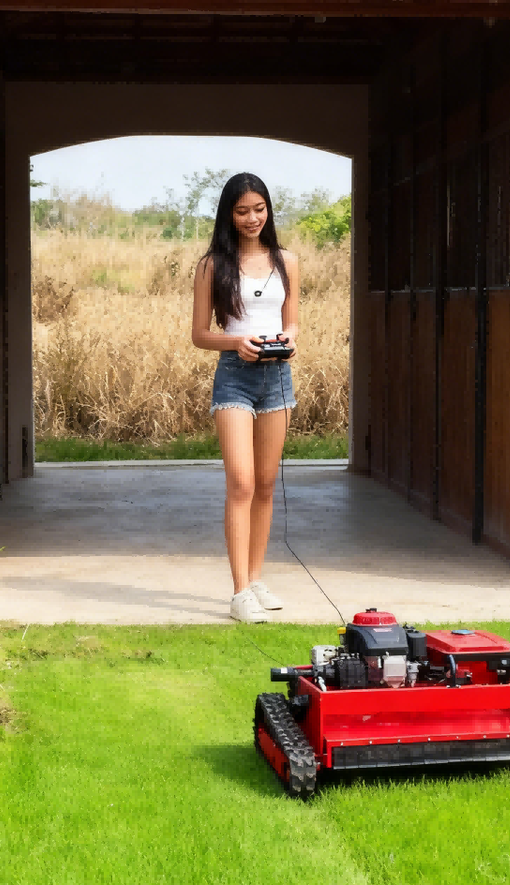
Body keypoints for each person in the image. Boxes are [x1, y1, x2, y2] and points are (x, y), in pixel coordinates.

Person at [191, 173, 299, 622]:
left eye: (259, 209)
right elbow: (199, 335)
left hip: (277, 376)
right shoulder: (212, 265)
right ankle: (239, 593)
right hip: (234, 377)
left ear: (268, 209)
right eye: (242, 211)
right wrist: (236, 342)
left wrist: (287, 339)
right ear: (228, 215)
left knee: (267, 484)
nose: (253, 218)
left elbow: (292, 321)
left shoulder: (286, 261)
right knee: (241, 483)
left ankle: (255, 580)